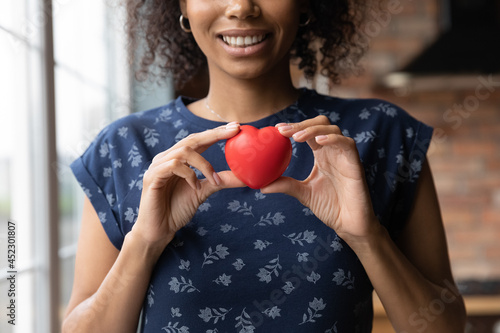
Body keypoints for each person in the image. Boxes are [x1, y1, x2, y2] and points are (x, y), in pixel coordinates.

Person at [62, 0, 467, 332]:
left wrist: (367, 237)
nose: (241, 7)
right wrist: (144, 243)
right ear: (181, 7)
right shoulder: (123, 148)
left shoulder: (380, 134)